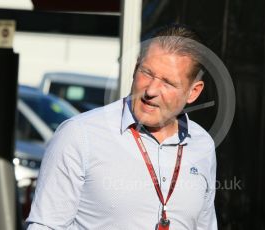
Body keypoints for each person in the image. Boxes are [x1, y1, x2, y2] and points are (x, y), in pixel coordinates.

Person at [27, 24, 218, 230]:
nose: (151, 90)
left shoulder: (202, 145)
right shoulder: (79, 135)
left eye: (168, 83)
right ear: (135, 68)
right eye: (147, 73)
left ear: (193, 92)